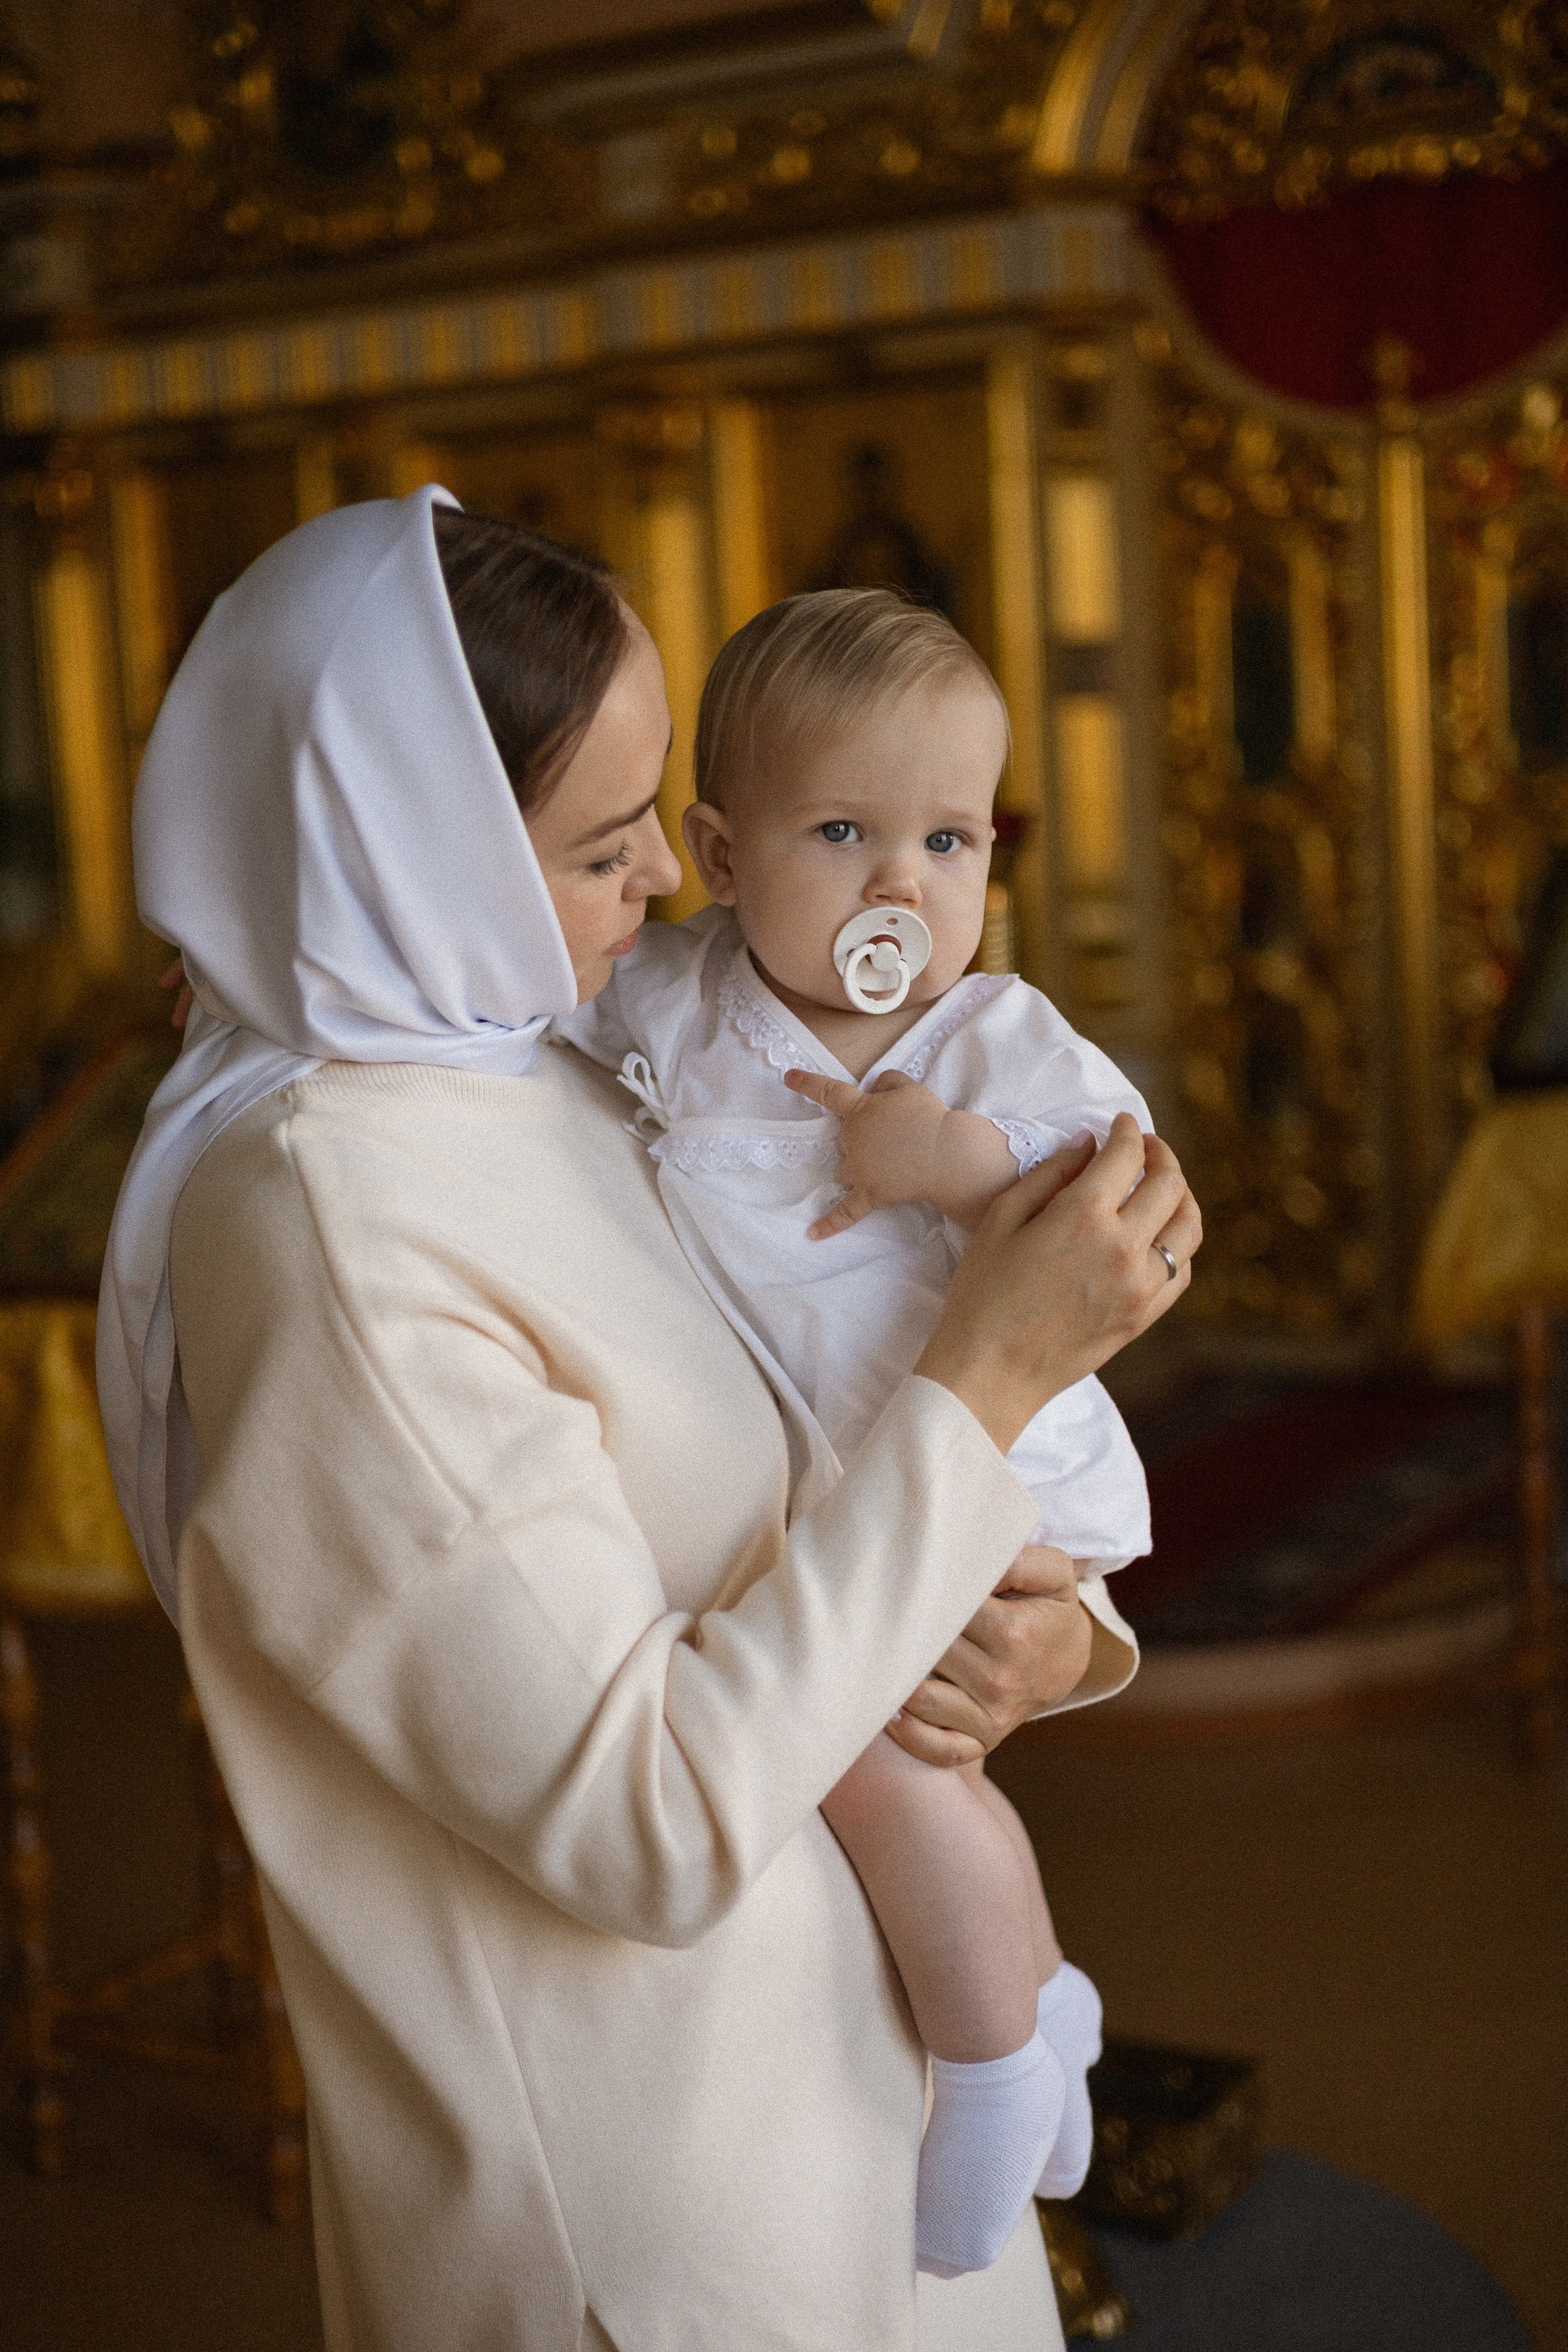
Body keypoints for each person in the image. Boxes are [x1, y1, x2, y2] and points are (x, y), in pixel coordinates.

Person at [99, 488, 1199, 2352]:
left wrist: (1039, 1643)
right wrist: (993, 1372)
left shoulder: (542, 1063)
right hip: (661, 2214)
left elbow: (796, 1451)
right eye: (607, 846)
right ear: (407, 845)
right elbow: (648, 1827)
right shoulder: (331, 1224)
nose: (663, 894)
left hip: (850, 2072)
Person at [557, 589, 1158, 2280]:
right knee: (895, 1763)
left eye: (952, 837)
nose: (909, 886)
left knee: (888, 1761)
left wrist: (960, 1168)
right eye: (848, 830)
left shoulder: (994, 1039)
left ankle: (984, 2060)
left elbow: (1119, 1218)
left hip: (980, 1464)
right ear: (721, 855)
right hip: (828, 1482)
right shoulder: (678, 999)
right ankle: (1036, 2004)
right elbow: (524, 1027)